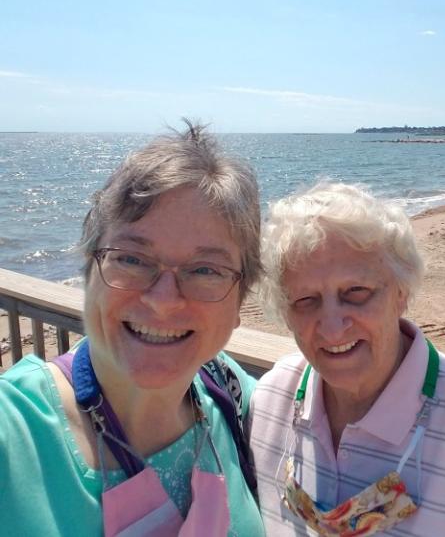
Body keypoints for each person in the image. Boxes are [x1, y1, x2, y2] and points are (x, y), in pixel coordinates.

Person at [0, 122, 265, 536]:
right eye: (132, 259)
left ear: (239, 302)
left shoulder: (229, 390)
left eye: (205, 270)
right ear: (90, 270)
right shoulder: (16, 431)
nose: (163, 300)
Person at [249, 182, 445, 536]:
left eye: (356, 292)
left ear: (402, 293)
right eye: (305, 300)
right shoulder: (269, 403)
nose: (332, 327)